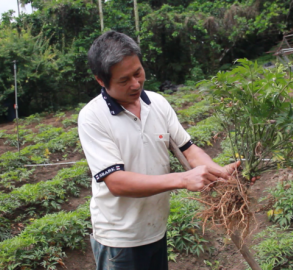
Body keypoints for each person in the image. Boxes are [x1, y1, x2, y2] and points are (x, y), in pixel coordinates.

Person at [78, 30, 240, 270]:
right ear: (101, 80)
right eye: (124, 80)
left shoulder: (157, 103)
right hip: (120, 241)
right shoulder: (93, 117)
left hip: (156, 229)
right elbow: (117, 182)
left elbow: (189, 150)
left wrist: (222, 175)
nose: (135, 84)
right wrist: (183, 179)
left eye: (138, 72)